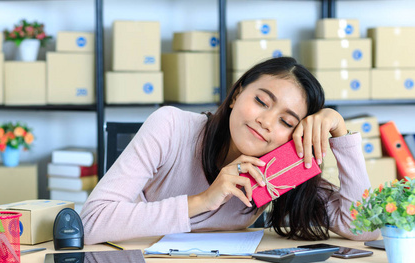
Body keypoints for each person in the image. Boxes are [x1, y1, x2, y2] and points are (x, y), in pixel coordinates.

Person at [81, 56, 379, 244]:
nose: (265, 121)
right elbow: (92, 222)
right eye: (261, 102)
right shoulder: (170, 126)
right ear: (237, 94)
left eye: (286, 121)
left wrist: (340, 130)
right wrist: (203, 201)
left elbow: (364, 229)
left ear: (295, 134)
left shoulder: (280, 167)